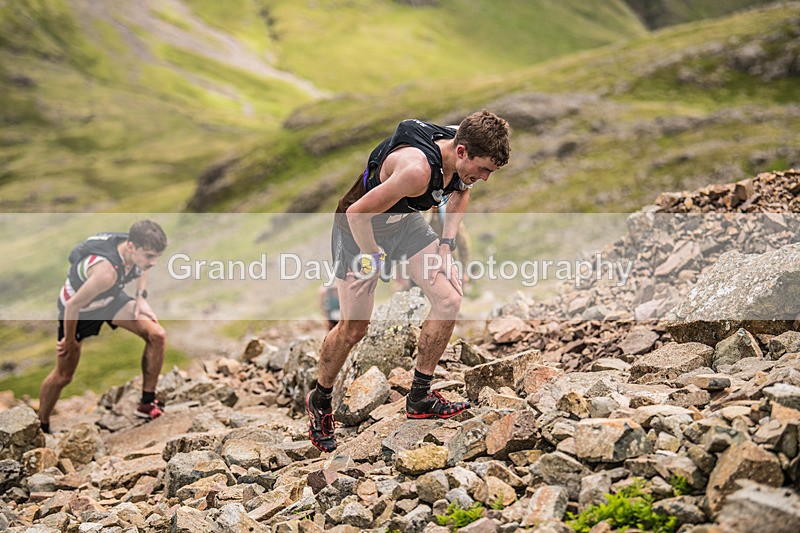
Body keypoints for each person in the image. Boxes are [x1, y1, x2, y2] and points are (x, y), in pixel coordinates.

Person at [306, 110, 510, 452]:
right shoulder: (417, 171)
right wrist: (374, 257)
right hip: (359, 230)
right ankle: (321, 399)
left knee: (449, 298)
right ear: (461, 152)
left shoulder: (462, 149)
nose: (485, 177)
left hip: (404, 223)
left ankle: (420, 397)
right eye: (484, 169)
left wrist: (445, 244)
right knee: (354, 329)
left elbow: (461, 191)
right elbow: (357, 213)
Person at [38, 220, 168, 433]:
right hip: (80, 311)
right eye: (149, 256)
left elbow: (143, 268)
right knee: (63, 376)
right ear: (131, 247)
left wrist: (140, 296)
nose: (153, 262)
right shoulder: (106, 272)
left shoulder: (137, 254)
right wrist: (69, 341)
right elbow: (73, 305)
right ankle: (41, 425)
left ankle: (146, 403)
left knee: (157, 335)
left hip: (110, 299)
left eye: (156, 256)